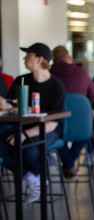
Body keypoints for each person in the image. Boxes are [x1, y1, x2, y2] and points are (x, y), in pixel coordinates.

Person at [0, 42, 66, 203]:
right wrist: (5, 105)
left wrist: (23, 135)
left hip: (47, 130)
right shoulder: (21, 81)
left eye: (28, 55)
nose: (24, 58)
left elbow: (53, 124)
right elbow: (13, 108)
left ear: (39, 59)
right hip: (21, 127)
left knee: (29, 150)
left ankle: (39, 178)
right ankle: (34, 178)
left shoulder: (57, 87)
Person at [51, 45, 94, 179]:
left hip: (56, 119)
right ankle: (69, 164)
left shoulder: (49, 75)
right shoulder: (82, 72)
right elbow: (93, 95)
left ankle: (69, 164)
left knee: (56, 136)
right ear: (69, 58)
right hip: (80, 122)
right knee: (85, 134)